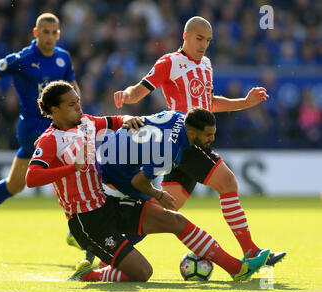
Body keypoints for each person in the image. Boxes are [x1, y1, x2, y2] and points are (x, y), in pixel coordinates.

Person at [25, 80, 270, 282]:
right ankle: (89, 274)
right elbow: (32, 177)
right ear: (55, 111)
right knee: (143, 273)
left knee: (174, 220)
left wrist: (127, 120)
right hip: (87, 218)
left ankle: (237, 268)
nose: (79, 107)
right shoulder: (50, 140)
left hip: (108, 202)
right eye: (71, 104)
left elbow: (113, 121)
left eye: (78, 101)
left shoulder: (86, 122)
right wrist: (70, 167)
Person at [113, 16, 285, 265]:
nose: (204, 44)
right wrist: (126, 95)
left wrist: (245, 103)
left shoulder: (206, 64)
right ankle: (250, 250)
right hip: (184, 139)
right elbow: (140, 89)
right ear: (185, 36)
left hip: (195, 143)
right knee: (227, 182)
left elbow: (210, 102)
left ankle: (108, 245)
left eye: (208, 40)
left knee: (163, 211)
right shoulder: (169, 62)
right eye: (199, 38)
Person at [0, 13, 81, 246]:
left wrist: (79, 113)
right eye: (45, 32)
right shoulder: (22, 59)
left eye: (54, 33)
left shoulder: (63, 58)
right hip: (34, 129)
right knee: (72, 169)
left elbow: (73, 88)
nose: (50, 36)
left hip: (54, 128)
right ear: (36, 33)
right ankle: (77, 232)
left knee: (14, 185)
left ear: (59, 34)